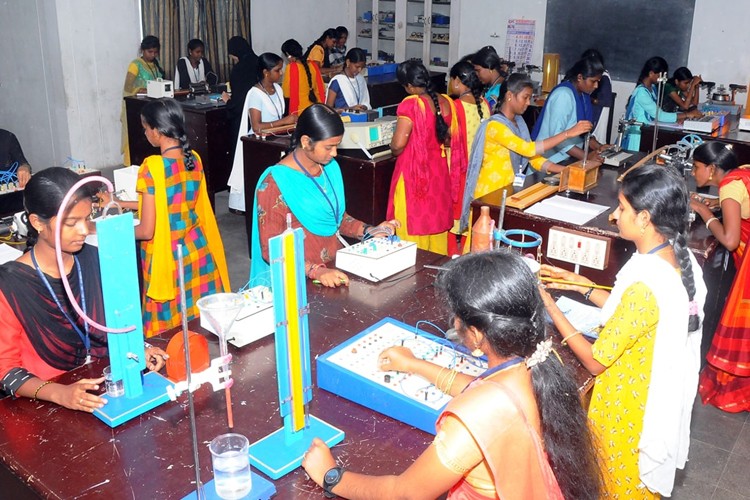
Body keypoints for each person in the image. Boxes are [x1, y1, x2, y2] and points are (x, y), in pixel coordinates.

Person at [301, 251, 603, 500]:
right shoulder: (540, 360)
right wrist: (414, 364)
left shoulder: (475, 417)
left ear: (474, 332)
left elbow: (406, 492)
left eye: (455, 316)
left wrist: (333, 477)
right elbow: (481, 389)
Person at [541, 164, 707, 498]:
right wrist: (582, 285)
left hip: (628, 412)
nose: (615, 216)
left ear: (645, 219)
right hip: (646, 390)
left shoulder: (646, 287)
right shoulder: (675, 258)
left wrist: (550, 305)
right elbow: (633, 318)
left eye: (622, 208)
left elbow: (594, 361)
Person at [0, 168, 167, 411]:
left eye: (87, 218)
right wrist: (59, 393)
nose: (84, 230)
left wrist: (140, 349)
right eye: (71, 223)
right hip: (44, 406)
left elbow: (113, 324)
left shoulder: (95, 260)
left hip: (105, 389)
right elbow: (6, 370)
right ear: (37, 222)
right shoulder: (10, 285)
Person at [105, 99, 230, 337]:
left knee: (168, 337)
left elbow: (146, 231)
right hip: (197, 254)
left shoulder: (152, 166)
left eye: (145, 128)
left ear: (157, 130)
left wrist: (112, 230)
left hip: (167, 260)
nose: (145, 133)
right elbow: (172, 202)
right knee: (197, 328)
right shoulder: (194, 159)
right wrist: (120, 203)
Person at [250, 104, 397, 288]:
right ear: (306, 142)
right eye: (329, 147)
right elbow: (271, 250)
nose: (334, 153)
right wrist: (316, 271)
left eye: (336, 145)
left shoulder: (329, 168)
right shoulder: (275, 184)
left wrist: (368, 230)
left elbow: (335, 218)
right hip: (299, 280)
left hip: (334, 270)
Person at [459, 74, 592, 231]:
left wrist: (567, 171)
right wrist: (567, 133)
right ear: (509, 96)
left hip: (509, 192)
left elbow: (533, 159)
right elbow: (528, 149)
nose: (529, 103)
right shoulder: (495, 126)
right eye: (525, 97)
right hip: (490, 193)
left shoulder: (519, 123)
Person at [689, 142, 750, 412]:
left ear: (712, 169)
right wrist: (717, 204)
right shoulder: (742, 173)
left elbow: (729, 239)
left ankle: (734, 384)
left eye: (696, 167)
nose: (693, 173)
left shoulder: (729, 188)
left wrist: (704, 211)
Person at [387, 61, 457, 255]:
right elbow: (450, 137)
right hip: (439, 172)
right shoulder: (446, 102)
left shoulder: (411, 103)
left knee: (411, 221)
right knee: (436, 223)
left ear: (408, 86)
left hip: (415, 173)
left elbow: (399, 143)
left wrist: (392, 149)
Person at [227, 53, 298, 213]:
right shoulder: (255, 93)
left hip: (275, 139)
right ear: (266, 72)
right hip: (259, 143)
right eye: (278, 70)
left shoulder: (278, 89)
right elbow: (257, 126)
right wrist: (285, 121)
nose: (281, 73)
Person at [446, 61, 489, 254]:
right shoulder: (485, 104)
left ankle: (450, 257)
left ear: (457, 81)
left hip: (457, 171)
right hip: (478, 171)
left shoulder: (455, 106)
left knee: (452, 220)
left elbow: (448, 138)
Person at [531, 57, 604, 164]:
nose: (596, 86)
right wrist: (586, 157)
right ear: (580, 77)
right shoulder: (563, 95)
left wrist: (600, 148)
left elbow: (582, 133)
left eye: (598, 82)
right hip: (548, 162)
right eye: (593, 81)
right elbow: (557, 138)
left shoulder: (583, 96)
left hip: (567, 159)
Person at [623, 57, 701, 151]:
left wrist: (676, 121)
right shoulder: (641, 92)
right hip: (638, 135)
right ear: (651, 73)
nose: (663, 79)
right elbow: (659, 115)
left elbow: (655, 116)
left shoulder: (652, 88)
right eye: (660, 75)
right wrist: (687, 114)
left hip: (648, 132)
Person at [221, 36, 259, 197]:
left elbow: (239, 101)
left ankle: (238, 191)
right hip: (260, 115)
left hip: (243, 118)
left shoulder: (239, 69)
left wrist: (228, 100)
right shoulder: (258, 62)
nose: (233, 60)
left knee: (239, 151)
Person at [121, 36, 165, 166]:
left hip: (153, 107)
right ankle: (131, 166)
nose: (152, 55)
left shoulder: (157, 65)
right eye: (149, 52)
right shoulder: (135, 65)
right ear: (142, 50)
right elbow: (128, 87)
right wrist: (146, 90)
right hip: (136, 108)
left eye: (155, 52)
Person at [281, 39, 325, 116]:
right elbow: (321, 88)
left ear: (288, 55)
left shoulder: (291, 68)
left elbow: (286, 94)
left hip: (300, 113)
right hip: (317, 110)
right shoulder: (313, 65)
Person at [581, 49, 614, 143]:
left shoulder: (604, 77)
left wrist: (590, 99)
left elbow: (607, 101)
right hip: (593, 112)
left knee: (594, 139)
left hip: (598, 114)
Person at [471, 46, 505, 111]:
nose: (476, 74)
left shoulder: (497, 91)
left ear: (490, 67)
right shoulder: (494, 85)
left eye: (478, 70)